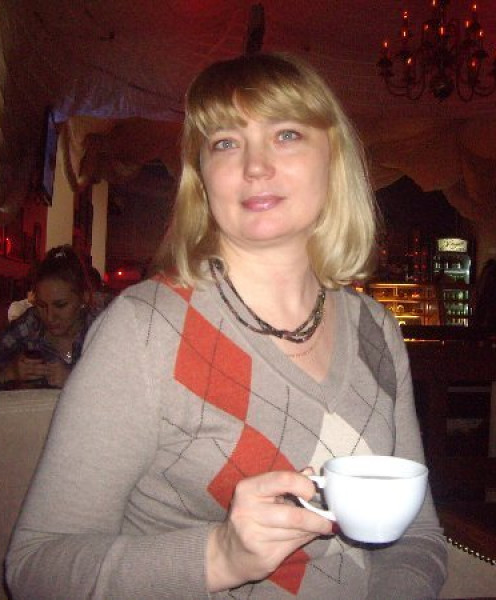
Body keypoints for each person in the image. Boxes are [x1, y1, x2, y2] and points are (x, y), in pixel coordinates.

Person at [6, 53, 447, 598]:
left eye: (286, 134)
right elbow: (36, 567)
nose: (255, 166)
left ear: (334, 161)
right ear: (202, 180)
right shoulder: (144, 331)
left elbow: (417, 536)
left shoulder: (377, 329)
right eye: (225, 143)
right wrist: (220, 555)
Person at [0, 245, 97, 388]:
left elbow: (124, 387)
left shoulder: (102, 329)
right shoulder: (30, 324)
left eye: (60, 305)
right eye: (41, 305)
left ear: (84, 298)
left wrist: (75, 381)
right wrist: (9, 373)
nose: (50, 317)